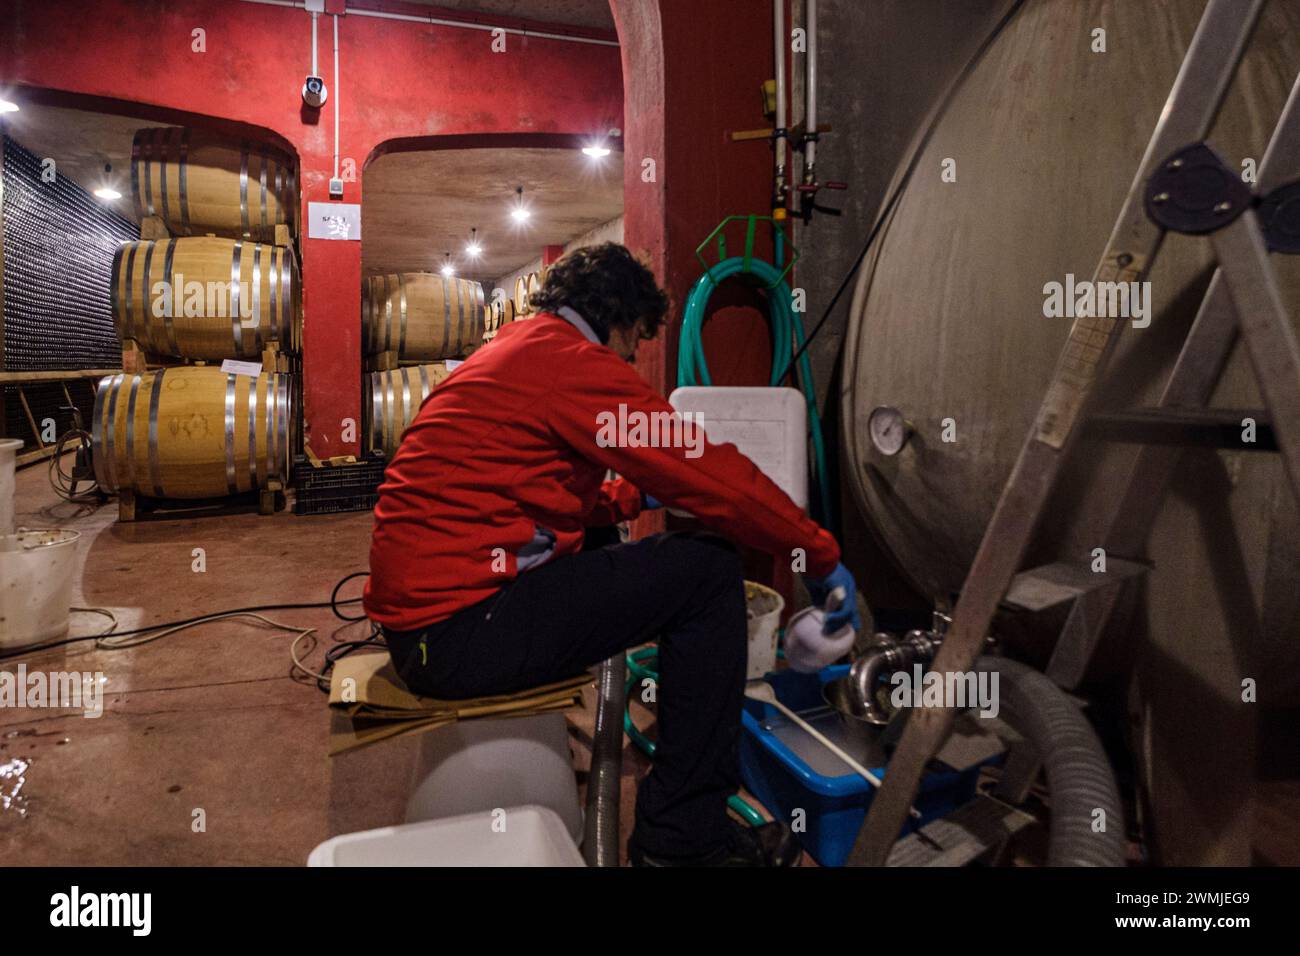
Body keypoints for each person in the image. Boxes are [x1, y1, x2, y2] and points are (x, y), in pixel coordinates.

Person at [364, 243, 859, 867]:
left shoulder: (514, 352)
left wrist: (627, 496)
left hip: (427, 627)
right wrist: (816, 553)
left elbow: (526, 497)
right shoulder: (569, 361)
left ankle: (675, 829)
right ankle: (682, 843)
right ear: (619, 321)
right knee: (705, 570)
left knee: (615, 546)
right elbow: (709, 472)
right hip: (459, 633)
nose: (629, 358)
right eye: (633, 343)